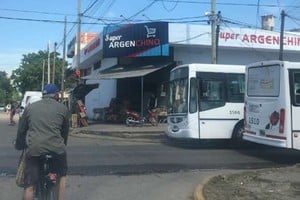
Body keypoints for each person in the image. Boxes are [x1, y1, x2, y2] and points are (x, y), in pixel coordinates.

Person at [15, 84, 70, 200]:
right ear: (56, 95)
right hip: (57, 150)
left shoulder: (30, 108)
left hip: (35, 149)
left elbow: (21, 130)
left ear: (43, 95)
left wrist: (19, 144)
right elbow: (65, 131)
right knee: (62, 177)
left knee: (29, 185)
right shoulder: (63, 109)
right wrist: (63, 144)